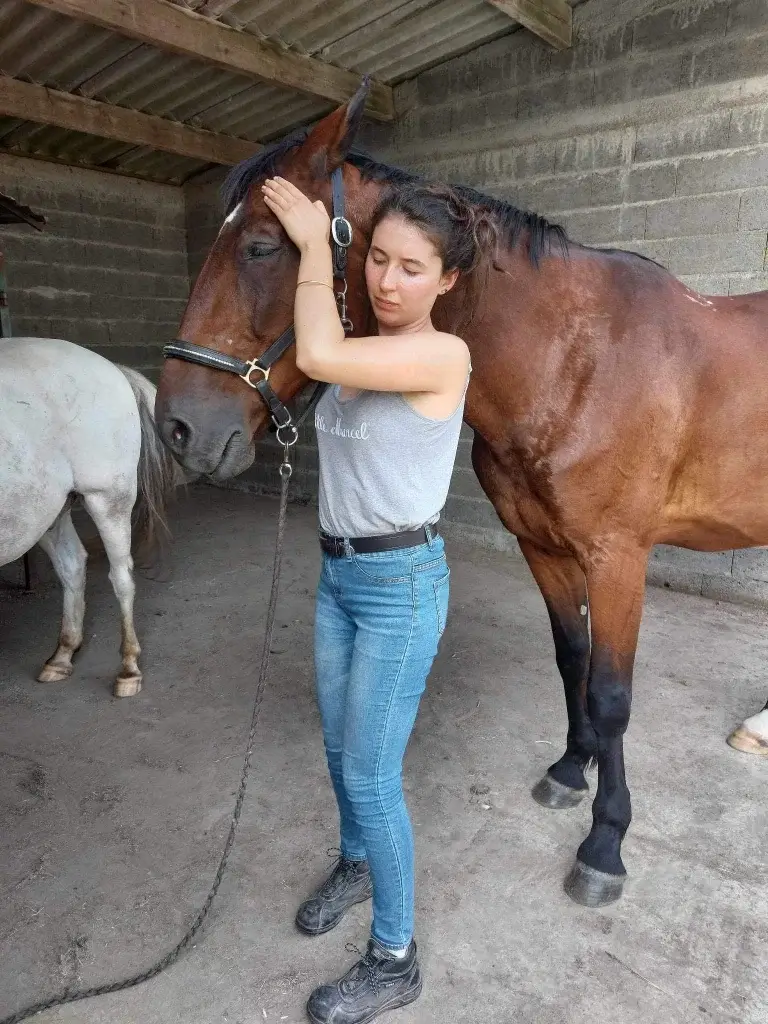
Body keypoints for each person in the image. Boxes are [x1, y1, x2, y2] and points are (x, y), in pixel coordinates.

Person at [260, 174, 494, 1024]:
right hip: (340, 579)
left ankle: (395, 958)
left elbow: (314, 354)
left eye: (412, 268)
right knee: (338, 751)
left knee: (370, 774)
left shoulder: (442, 355)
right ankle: (357, 867)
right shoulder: (364, 341)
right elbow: (315, 356)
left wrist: (321, 244)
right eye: (379, 261)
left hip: (400, 586)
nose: (388, 282)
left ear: (447, 281)